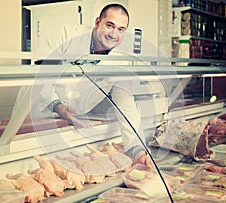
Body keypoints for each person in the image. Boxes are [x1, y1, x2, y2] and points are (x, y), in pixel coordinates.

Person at [34, 3, 153, 168]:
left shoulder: (120, 60)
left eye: (121, 29)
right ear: (97, 22)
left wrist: (137, 150)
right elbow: (39, 74)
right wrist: (57, 106)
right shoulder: (66, 35)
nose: (113, 34)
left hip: (76, 125)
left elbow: (126, 103)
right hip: (43, 118)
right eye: (109, 25)